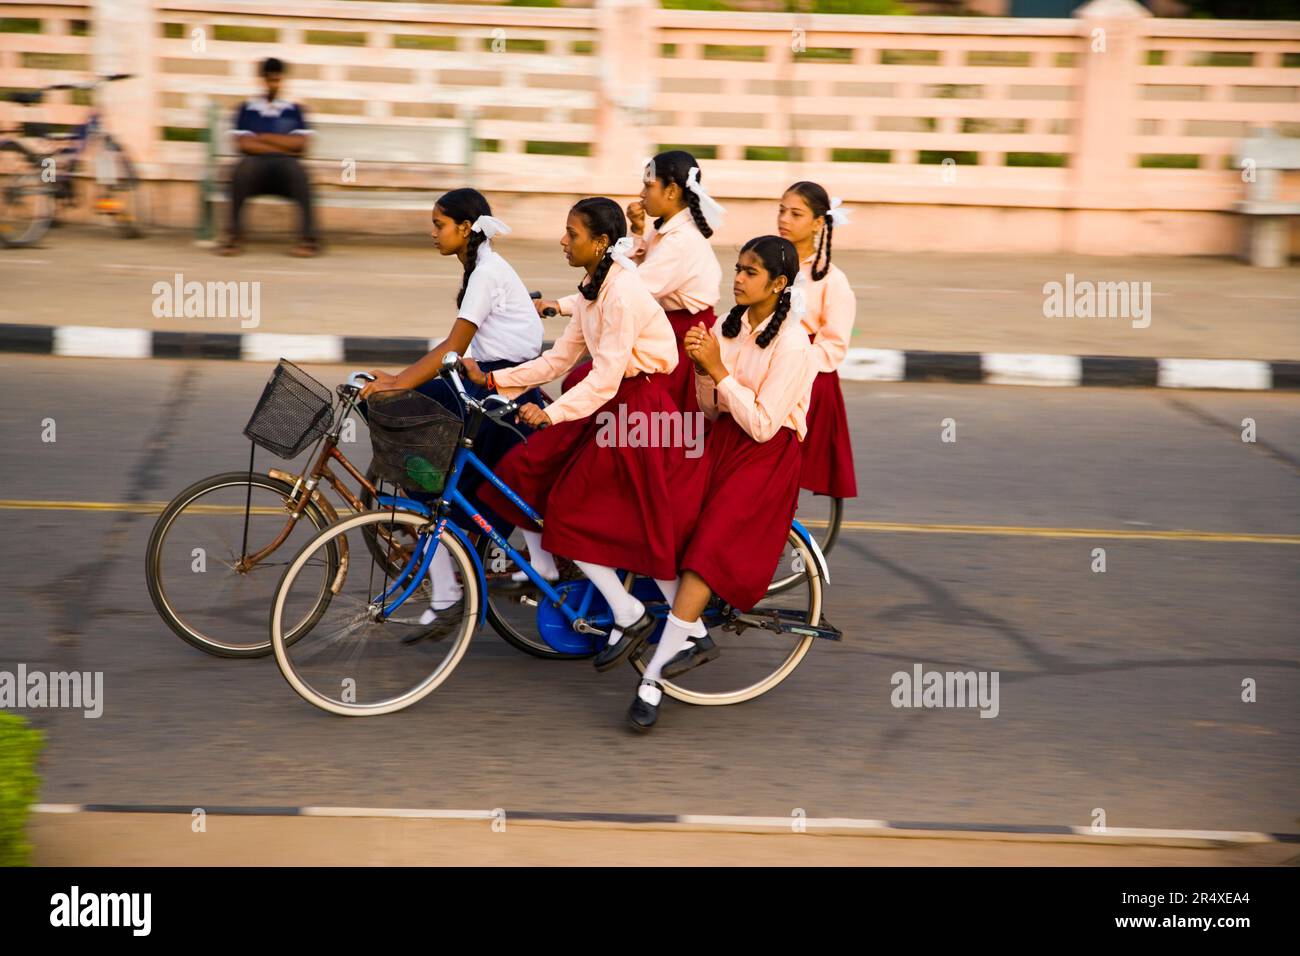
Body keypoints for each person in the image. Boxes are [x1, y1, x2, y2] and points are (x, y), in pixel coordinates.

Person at [462, 197, 694, 663]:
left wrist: (551, 414)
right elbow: (558, 361)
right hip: (612, 402)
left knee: (576, 515)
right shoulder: (594, 284)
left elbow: (606, 377)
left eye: (573, 233)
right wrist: (493, 379)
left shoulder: (622, 294)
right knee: (527, 471)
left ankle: (630, 613)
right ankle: (578, 591)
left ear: (602, 242)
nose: (563, 240)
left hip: (638, 409)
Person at [620, 236, 816, 732]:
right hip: (723, 442)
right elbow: (711, 410)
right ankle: (688, 629)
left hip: (765, 458)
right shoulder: (728, 330)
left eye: (751, 272)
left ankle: (654, 679)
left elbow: (765, 424)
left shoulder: (794, 344)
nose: (739, 278)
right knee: (667, 514)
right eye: (738, 268)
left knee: (706, 551)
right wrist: (705, 374)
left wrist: (718, 371)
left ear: (779, 284)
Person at [360, 188, 545, 631]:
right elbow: (455, 349)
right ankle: (447, 579)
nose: (432, 232)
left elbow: (451, 347)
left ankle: (449, 584)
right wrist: (398, 381)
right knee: (446, 479)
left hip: (501, 386)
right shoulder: (478, 268)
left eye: (439, 224)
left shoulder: (486, 274)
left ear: (466, 228)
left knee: (418, 445)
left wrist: (397, 383)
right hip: (486, 380)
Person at [538, 151, 723, 414]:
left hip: (683, 337)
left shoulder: (682, 241)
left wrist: (560, 305)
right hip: (662, 325)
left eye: (649, 186)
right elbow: (629, 270)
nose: (642, 193)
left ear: (671, 190)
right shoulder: (665, 230)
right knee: (581, 384)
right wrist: (637, 230)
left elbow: (634, 284)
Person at [777, 182, 858, 502]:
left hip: (808, 378)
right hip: (765, 363)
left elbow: (834, 346)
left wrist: (793, 361)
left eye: (796, 213)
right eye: (782, 210)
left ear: (818, 223)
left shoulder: (832, 281)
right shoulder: (769, 262)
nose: (784, 219)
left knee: (784, 466)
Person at [219, 57, 319, 257]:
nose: (274, 84)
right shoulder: (246, 110)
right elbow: (244, 144)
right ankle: (233, 236)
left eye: (278, 80)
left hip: (285, 172)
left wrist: (263, 137)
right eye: (270, 80)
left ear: (283, 80)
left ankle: (308, 239)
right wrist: (284, 144)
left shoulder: (294, 111)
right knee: (240, 170)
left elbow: (300, 145)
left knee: (300, 173)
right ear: (262, 80)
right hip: (255, 171)